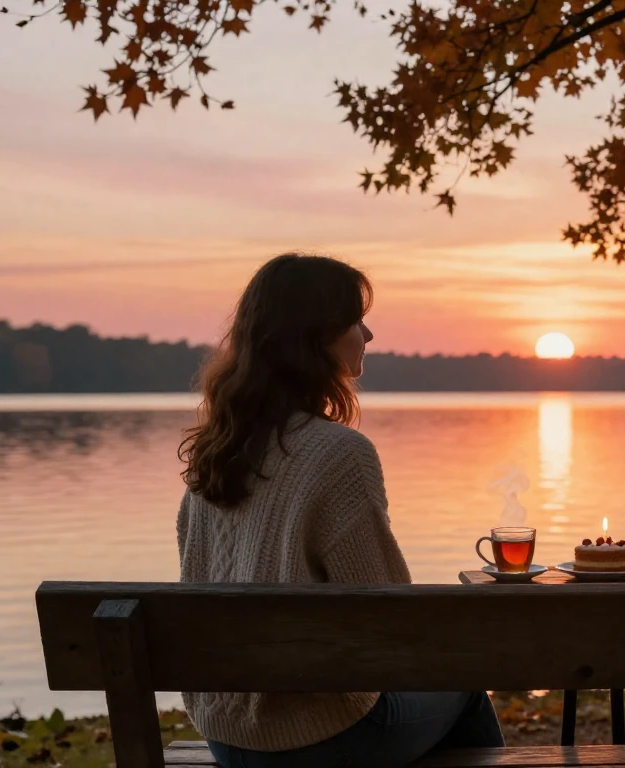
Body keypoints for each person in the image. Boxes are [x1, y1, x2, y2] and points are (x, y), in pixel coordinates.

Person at [176, 253, 504, 768]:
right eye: (355, 321)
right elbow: (389, 611)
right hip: (319, 737)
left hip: (228, 734)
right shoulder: (339, 453)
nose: (368, 335)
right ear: (317, 337)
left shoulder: (216, 452)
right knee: (462, 682)